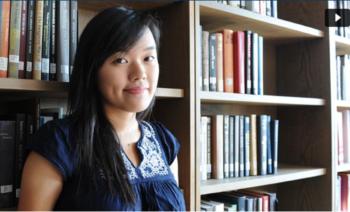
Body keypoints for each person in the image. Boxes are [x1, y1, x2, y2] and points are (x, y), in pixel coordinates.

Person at [18, 6, 186, 211]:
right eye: (120, 60)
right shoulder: (59, 143)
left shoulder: (164, 142)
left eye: (148, 58)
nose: (139, 73)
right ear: (92, 69)